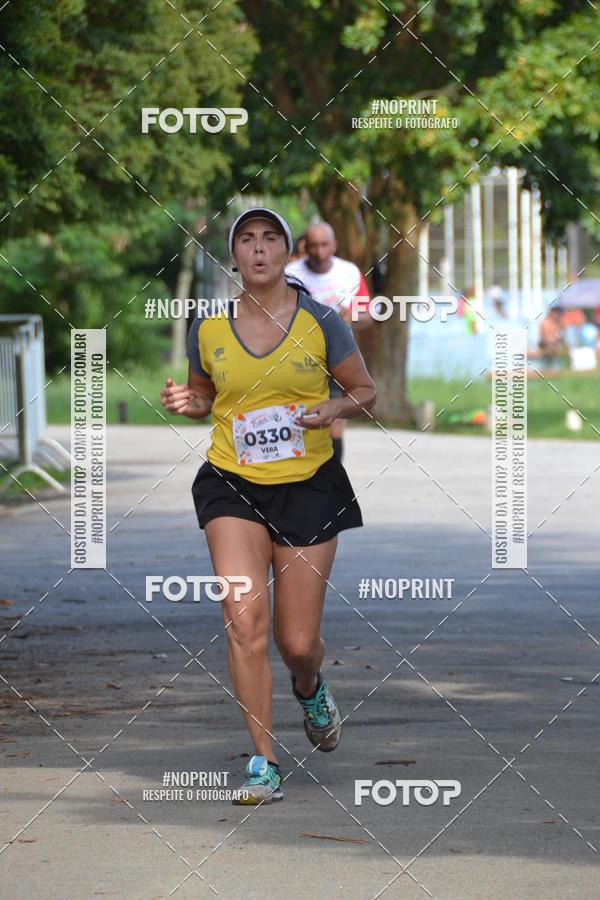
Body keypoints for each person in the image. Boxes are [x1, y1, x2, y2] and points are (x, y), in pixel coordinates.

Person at [160, 207, 376, 806]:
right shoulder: (206, 326)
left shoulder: (322, 321)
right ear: (235, 257)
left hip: (309, 484)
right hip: (232, 483)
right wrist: (189, 400)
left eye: (270, 239)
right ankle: (264, 760)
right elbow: (205, 393)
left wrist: (336, 408)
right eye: (246, 240)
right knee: (243, 619)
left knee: (296, 642)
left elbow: (365, 389)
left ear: (288, 253)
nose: (258, 250)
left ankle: (309, 686)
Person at [285, 222, 371, 461]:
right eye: (313, 246)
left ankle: (333, 479)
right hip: (299, 358)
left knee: (335, 424)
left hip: (339, 357)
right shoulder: (291, 274)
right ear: (305, 247)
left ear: (334, 245)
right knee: (300, 420)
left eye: (324, 245)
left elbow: (369, 315)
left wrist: (352, 316)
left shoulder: (349, 272)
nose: (319, 252)